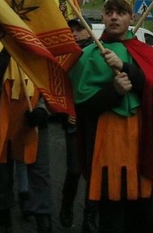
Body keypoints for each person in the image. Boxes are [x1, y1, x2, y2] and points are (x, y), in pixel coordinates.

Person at [68, 0, 153, 232]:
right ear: (103, 17)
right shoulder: (89, 55)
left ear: (131, 18)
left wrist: (127, 68)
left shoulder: (145, 52)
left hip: (142, 145)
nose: (114, 17)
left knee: (147, 216)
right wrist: (113, 92)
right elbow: (82, 106)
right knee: (112, 219)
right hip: (107, 148)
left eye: (121, 12)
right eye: (109, 12)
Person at [0, 39, 54, 233]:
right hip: (1, 121)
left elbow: (51, 84)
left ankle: (42, 219)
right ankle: (4, 218)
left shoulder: (40, 49)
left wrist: (42, 111)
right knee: (2, 172)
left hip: (33, 121)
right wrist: (7, 51)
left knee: (39, 173)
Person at [59, 17, 98, 231]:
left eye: (79, 29)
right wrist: (66, 113)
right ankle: (66, 205)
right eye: (71, 30)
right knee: (74, 170)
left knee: (94, 172)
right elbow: (60, 89)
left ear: (89, 31)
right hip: (73, 120)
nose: (74, 33)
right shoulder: (66, 56)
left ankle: (89, 216)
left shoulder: (99, 53)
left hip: (94, 120)